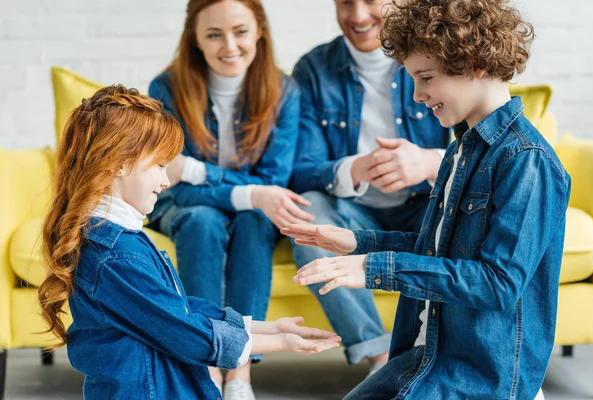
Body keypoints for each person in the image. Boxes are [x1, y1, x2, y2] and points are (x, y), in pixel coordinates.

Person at [283, 0, 571, 398]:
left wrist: (373, 268)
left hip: (480, 374)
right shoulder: (461, 150)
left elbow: (498, 284)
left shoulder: (527, 162)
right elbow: (439, 250)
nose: (418, 95)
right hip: (428, 354)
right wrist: (357, 243)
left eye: (425, 78)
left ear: (474, 64)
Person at [37, 85, 340, 400]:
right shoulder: (115, 256)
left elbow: (178, 310)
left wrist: (271, 328)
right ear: (119, 163)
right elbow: (187, 333)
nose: (166, 181)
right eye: (159, 166)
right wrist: (282, 344)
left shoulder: (120, 242)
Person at [147, 1, 309, 396]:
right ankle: (206, 365)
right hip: (182, 206)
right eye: (213, 34)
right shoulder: (166, 87)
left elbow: (271, 180)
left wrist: (198, 170)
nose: (229, 45)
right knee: (203, 219)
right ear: (196, 40)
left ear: (259, 32)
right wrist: (248, 191)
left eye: (239, 31)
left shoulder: (285, 91)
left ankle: (239, 372)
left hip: (248, 212)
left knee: (254, 221)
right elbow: (173, 181)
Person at [289, 0, 450, 373]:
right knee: (308, 215)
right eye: (346, 2)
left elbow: (474, 146)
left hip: (424, 203)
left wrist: (426, 163)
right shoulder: (314, 69)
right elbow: (300, 171)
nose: (358, 16)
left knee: (457, 217)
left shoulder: (437, 53)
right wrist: (355, 169)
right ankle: (381, 360)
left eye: (371, 0)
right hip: (351, 210)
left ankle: (438, 353)